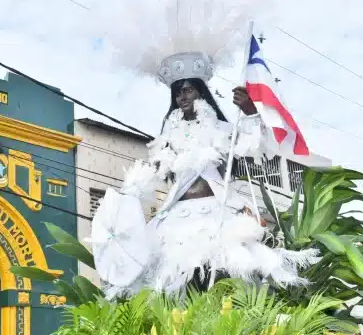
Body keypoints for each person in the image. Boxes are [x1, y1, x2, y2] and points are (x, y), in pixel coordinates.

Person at [90, 52, 319, 299]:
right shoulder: (168, 135)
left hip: (217, 209)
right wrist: (131, 192)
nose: (183, 96)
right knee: (175, 280)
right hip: (178, 214)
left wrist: (250, 112)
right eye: (178, 92)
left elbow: (252, 148)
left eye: (188, 90)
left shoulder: (220, 128)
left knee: (227, 271)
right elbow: (156, 170)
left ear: (200, 92)